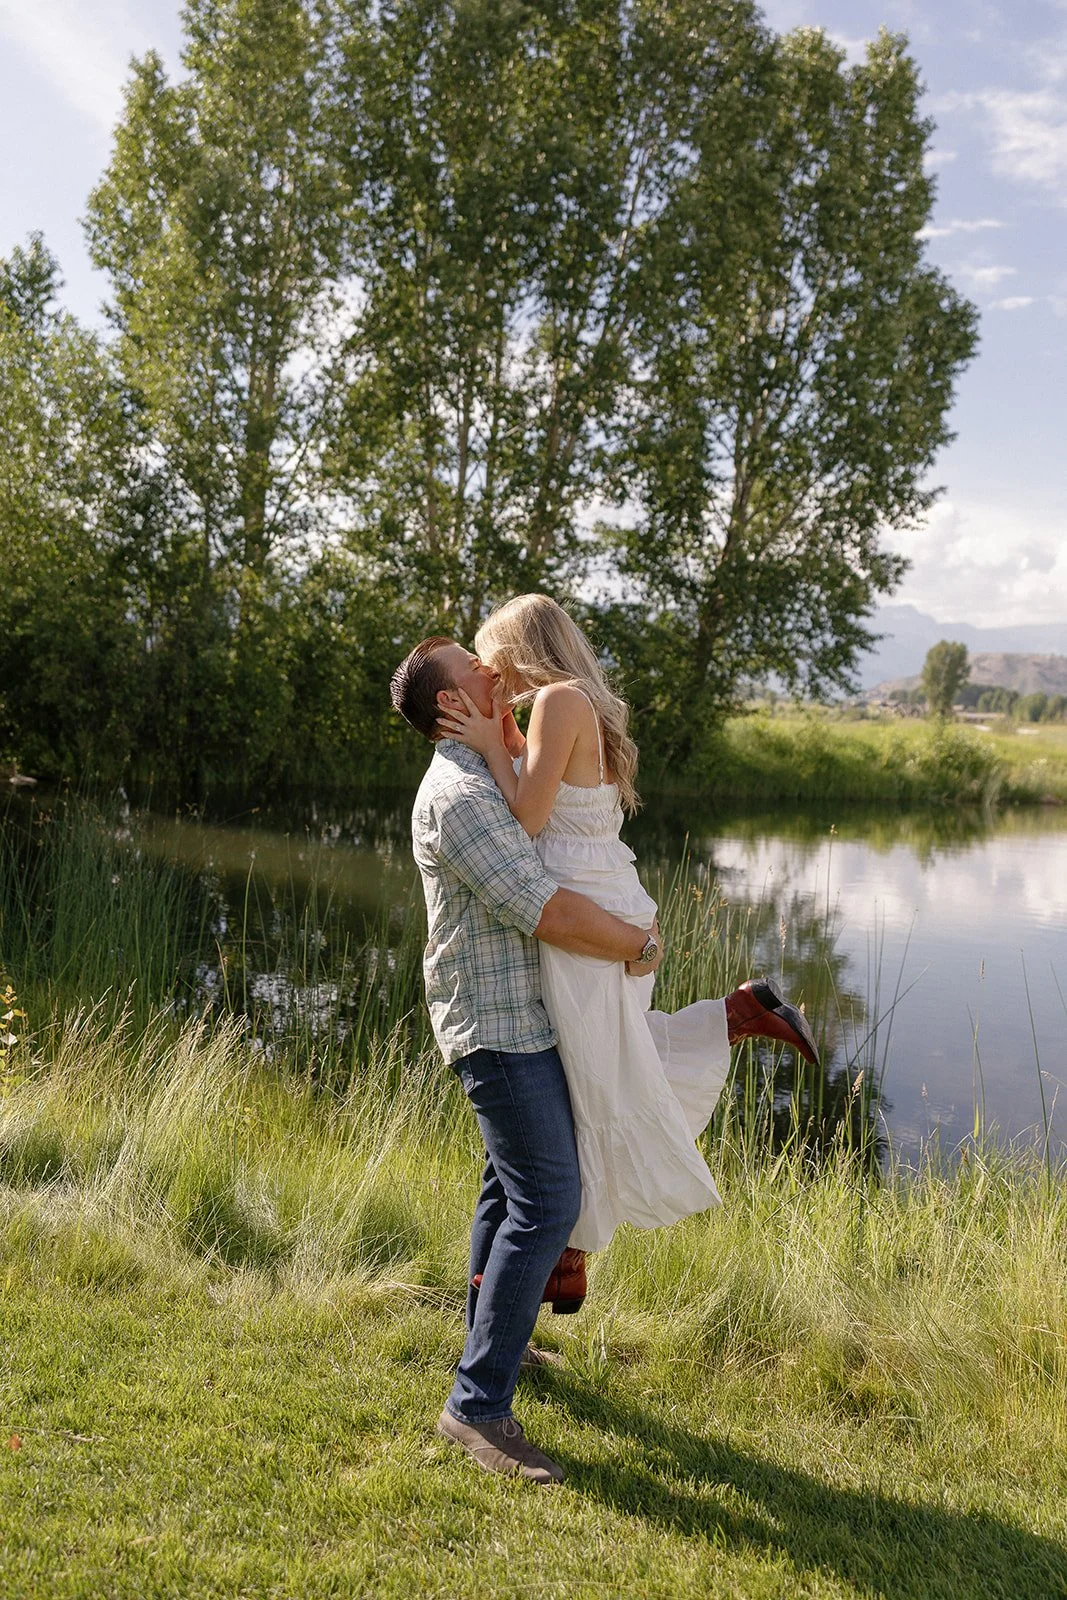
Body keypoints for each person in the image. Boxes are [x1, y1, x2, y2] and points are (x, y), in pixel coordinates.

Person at [390, 628, 817, 1487]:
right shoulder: (458, 797)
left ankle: (491, 1344)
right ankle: (476, 1407)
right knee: (549, 1200)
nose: (490, 668)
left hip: (528, 1019)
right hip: (498, 1029)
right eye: (472, 667)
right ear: (449, 703)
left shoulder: (484, 768)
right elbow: (543, 908)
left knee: (506, 1188)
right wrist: (639, 943)